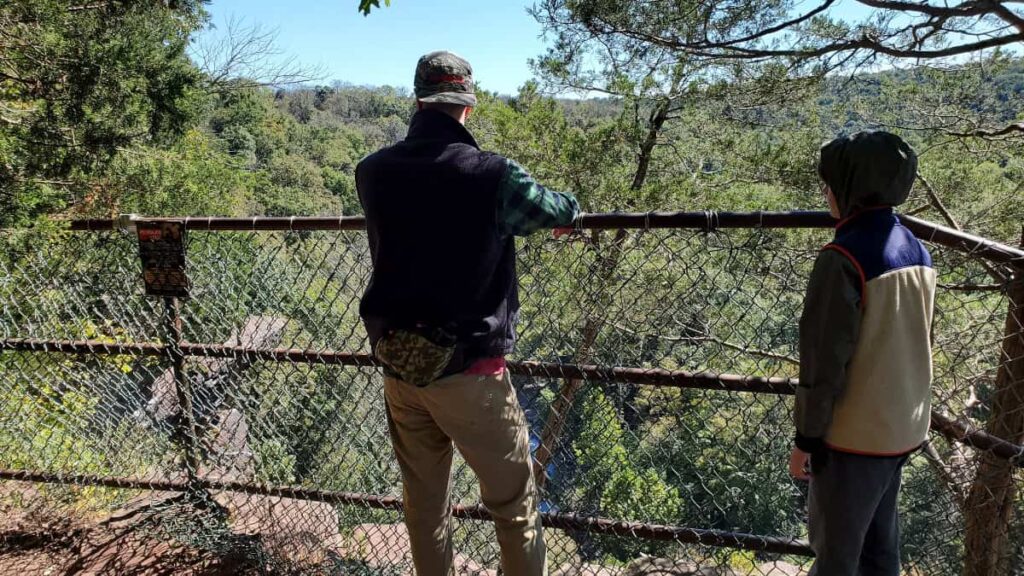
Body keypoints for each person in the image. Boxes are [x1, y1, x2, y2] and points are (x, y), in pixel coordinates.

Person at [355, 50, 580, 576]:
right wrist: (570, 213)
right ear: (468, 106)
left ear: (417, 100)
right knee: (514, 505)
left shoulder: (372, 172)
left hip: (401, 363)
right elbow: (555, 208)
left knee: (424, 504)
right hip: (470, 371)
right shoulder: (492, 174)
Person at [789, 131, 936, 575]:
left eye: (829, 183)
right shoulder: (917, 250)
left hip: (854, 436)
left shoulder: (842, 257)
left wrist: (806, 441)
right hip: (903, 428)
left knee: (835, 556)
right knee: (880, 551)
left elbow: (823, 363)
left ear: (848, 189)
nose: (825, 193)